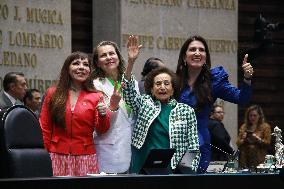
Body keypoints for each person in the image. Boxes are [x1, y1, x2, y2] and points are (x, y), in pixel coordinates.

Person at [176, 35, 253, 173]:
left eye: (202, 50)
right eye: (192, 49)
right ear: (184, 56)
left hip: (199, 145)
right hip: (174, 144)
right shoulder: (174, 81)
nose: (197, 53)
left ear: (206, 57)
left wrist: (247, 78)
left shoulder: (214, 81)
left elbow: (242, 98)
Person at [123, 35, 200, 174]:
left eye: (166, 83)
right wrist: (130, 62)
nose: (162, 87)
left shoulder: (186, 110)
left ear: (173, 89)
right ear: (151, 90)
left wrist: (188, 171)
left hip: (173, 168)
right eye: (157, 84)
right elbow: (127, 91)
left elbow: (193, 146)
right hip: (142, 165)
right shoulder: (144, 102)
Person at [39, 51, 111, 176]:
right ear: (67, 68)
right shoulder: (53, 93)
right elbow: (45, 127)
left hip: (86, 156)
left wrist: (103, 115)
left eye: (85, 64)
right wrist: (43, 154)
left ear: (89, 70)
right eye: (76, 63)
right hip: (56, 155)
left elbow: (102, 130)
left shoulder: (96, 96)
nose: (81, 67)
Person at [91, 39, 140, 174]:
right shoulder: (95, 85)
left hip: (131, 148)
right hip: (108, 149)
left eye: (111, 53)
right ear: (97, 63)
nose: (108, 57)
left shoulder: (133, 82)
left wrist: (131, 62)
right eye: (103, 55)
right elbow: (101, 120)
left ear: (118, 56)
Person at [236, 105, 271, 170]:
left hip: (259, 159)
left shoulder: (265, 127)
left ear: (259, 116)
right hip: (245, 159)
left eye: (255, 115)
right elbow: (238, 143)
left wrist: (258, 139)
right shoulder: (244, 127)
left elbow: (268, 143)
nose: (252, 117)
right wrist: (243, 139)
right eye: (250, 115)